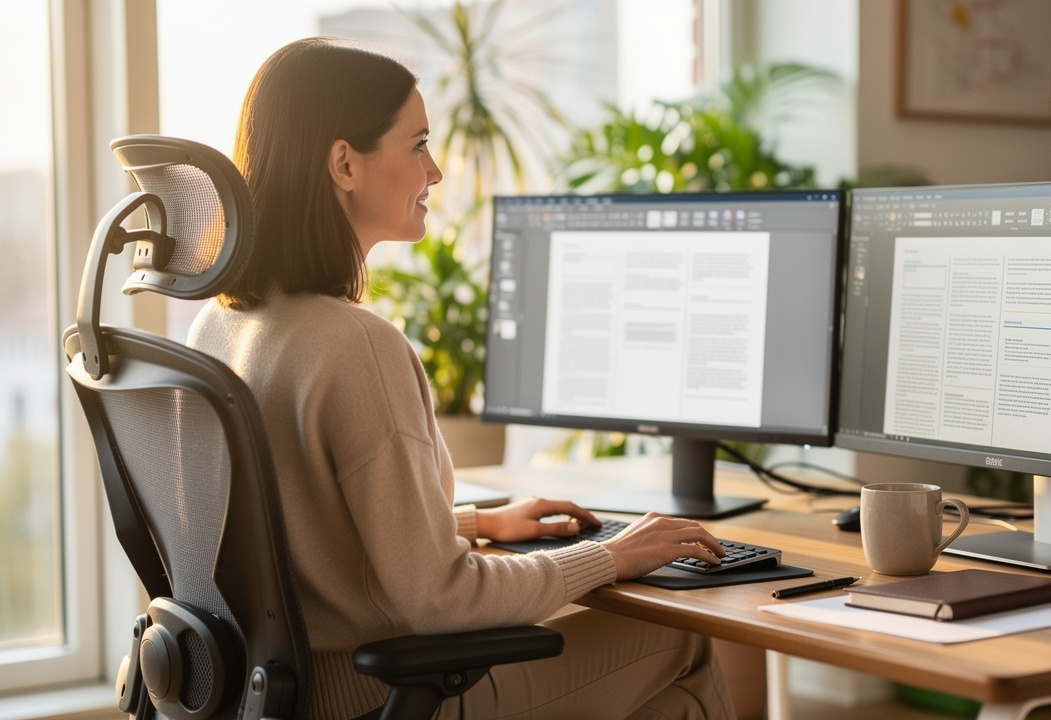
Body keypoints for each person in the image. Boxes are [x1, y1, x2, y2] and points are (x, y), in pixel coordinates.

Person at [188, 37, 737, 720]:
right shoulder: (359, 347)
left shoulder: (219, 327)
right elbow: (438, 599)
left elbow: (298, 537)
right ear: (343, 162)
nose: (437, 170)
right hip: (388, 697)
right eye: (418, 144)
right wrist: (613, 558)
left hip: (280, 697)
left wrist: (474, 522)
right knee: (681, 646)